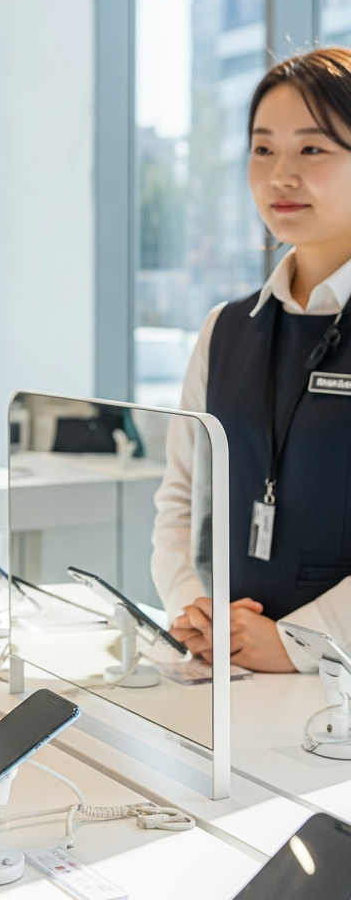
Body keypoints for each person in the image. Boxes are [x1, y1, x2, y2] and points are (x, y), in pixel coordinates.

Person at [151, 47, 351, 674]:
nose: (279, 176)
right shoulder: (226, 328)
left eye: (311, 150)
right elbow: (182, 500)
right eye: (263, 149)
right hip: (231, 679)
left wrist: (302, 642)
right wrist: (196, 607)